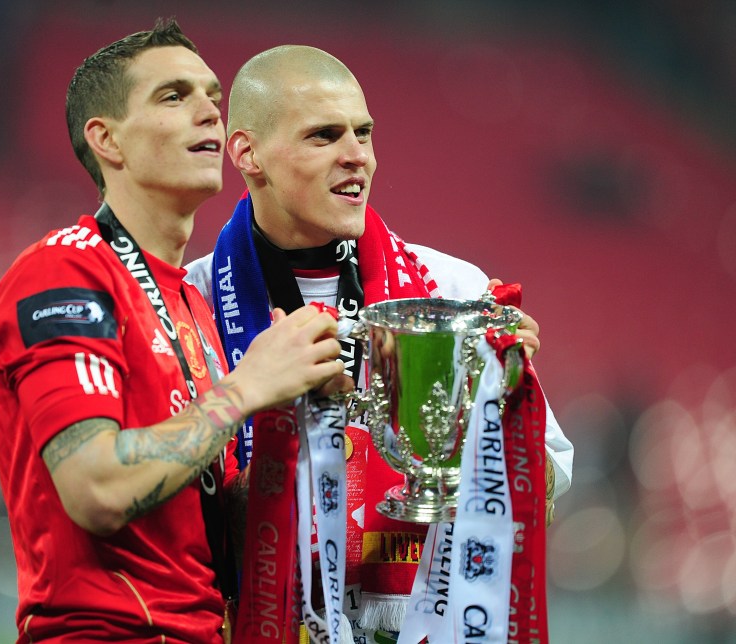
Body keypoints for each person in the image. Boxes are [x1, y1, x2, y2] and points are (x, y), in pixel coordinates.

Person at [184, 44, 575, 642]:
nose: (357, 157)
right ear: (247, 153)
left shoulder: (452, 291)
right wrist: (284, 424)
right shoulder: (196, 302)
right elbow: (192, 533)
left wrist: (499, 414)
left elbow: (535, 502)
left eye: (363, 134)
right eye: (324, 136)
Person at [0, 22, 349, 643]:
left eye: (212, 94)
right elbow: (97, 485)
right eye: (174, 96)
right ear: (107, 140)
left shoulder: (193, 304)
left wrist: (303, 421)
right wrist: (249, 386)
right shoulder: (65, 269)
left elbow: (210, 522)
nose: (208, 109)